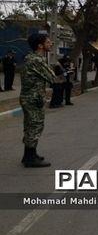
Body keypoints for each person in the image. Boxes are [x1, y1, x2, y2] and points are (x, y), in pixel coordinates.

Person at [19, 33, 55, 167]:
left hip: (30, 98)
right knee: (35, 127)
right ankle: (30, 159)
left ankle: (29, 154)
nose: (51, 43)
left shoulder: (30, 58)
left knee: (30, 127)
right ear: (40, 45)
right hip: (33, 99)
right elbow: (52, 78)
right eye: (48, 42)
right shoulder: (37, 60)